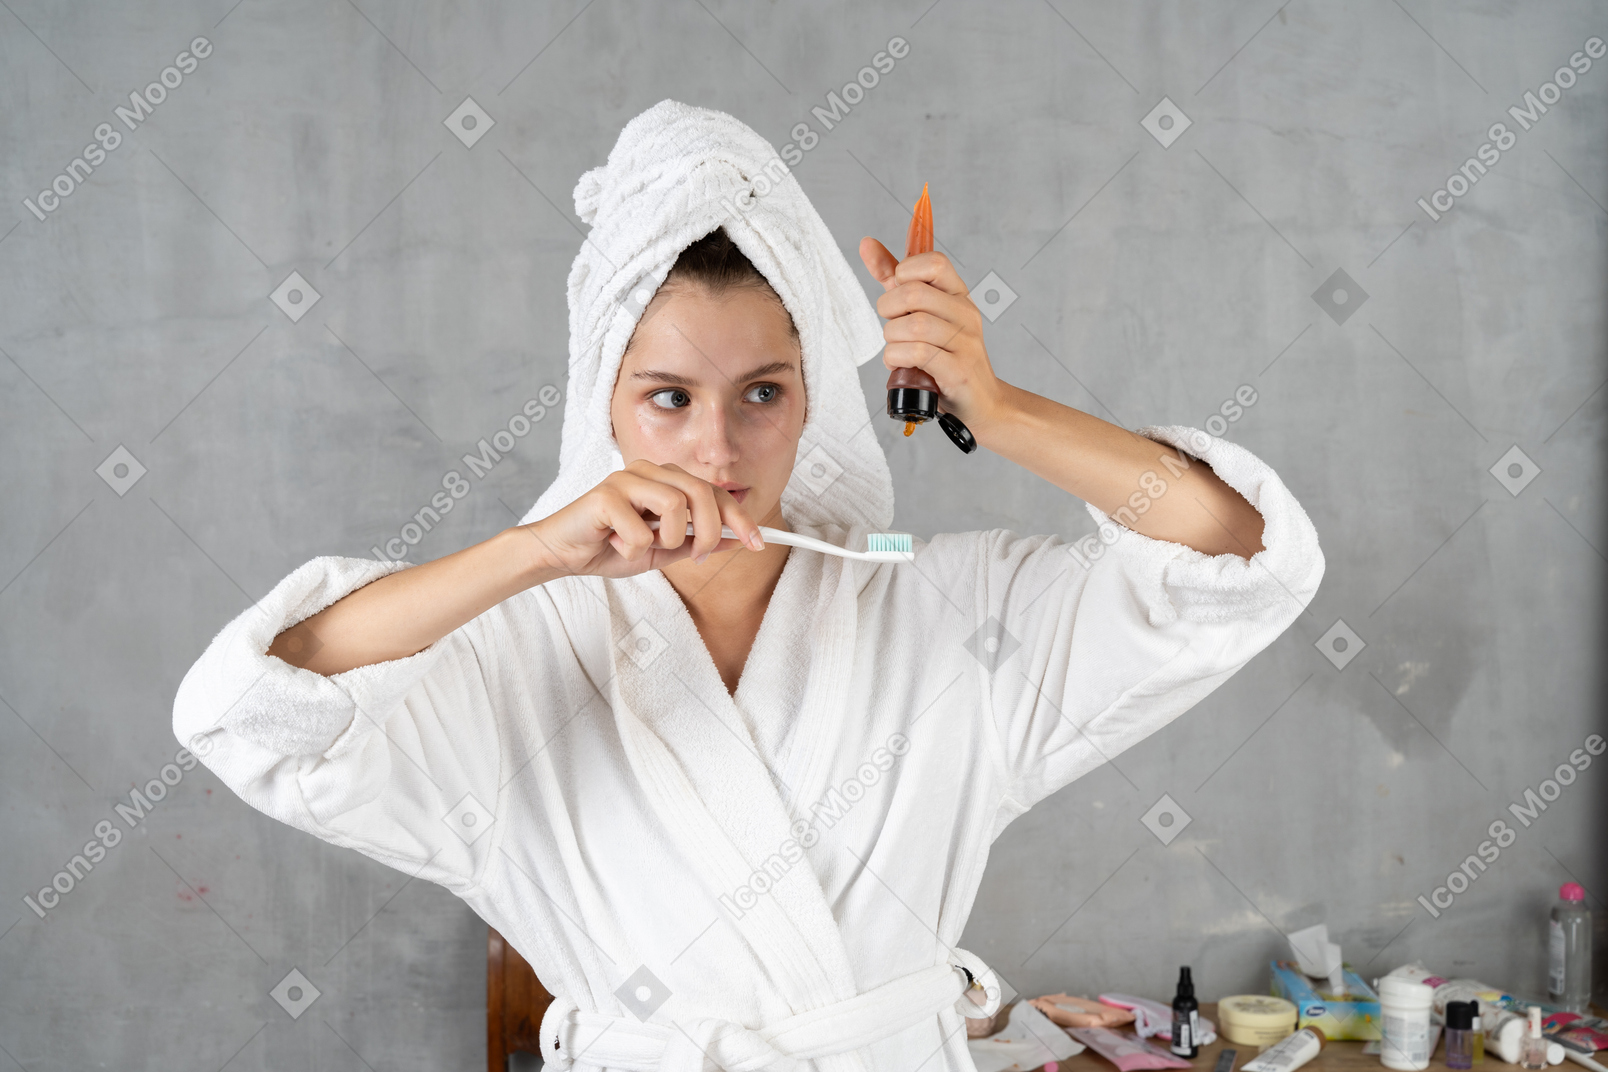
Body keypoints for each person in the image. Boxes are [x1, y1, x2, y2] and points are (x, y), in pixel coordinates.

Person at [173, 100, 1324, 1071]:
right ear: (602, 405)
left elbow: (1234, 565)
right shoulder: (507, 644)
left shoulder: (941, 613)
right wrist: (533, 554)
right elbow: (257, 709)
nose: (717, 452)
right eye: (668, 396)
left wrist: (1001, 406)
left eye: (762, 394)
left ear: (813, 401)